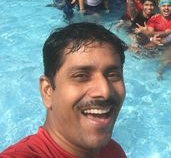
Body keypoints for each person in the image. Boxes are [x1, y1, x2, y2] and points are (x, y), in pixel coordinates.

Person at [0, 22, 128, 157]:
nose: (105, 91)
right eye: (81, 76)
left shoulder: (113, 151)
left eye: (113, 75)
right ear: (47, 91)